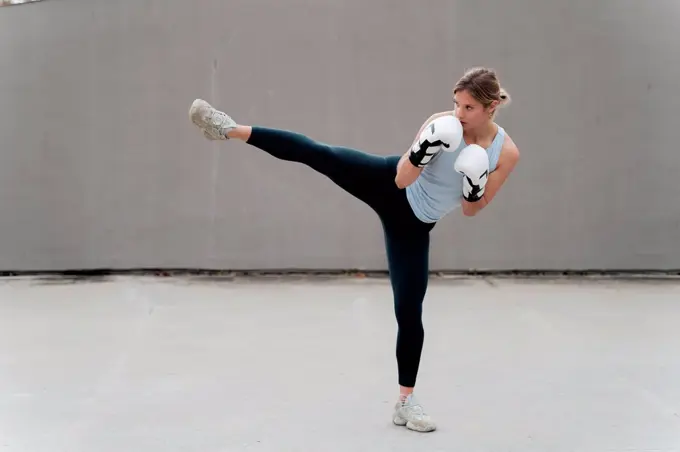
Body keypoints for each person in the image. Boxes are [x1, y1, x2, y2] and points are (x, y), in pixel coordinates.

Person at [188, 67, 520, 433]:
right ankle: (227, 128)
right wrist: (425, 149)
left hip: (413, 226)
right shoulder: (441, 123)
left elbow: (473, 209)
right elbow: (401, 178)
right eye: (456, 104)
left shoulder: (505, 152)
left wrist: (474, 185)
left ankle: (405, 402)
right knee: (320, 154)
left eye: (468, 107)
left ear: (490, 109)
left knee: (409, 311)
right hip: (387, 183)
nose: (458, 114)